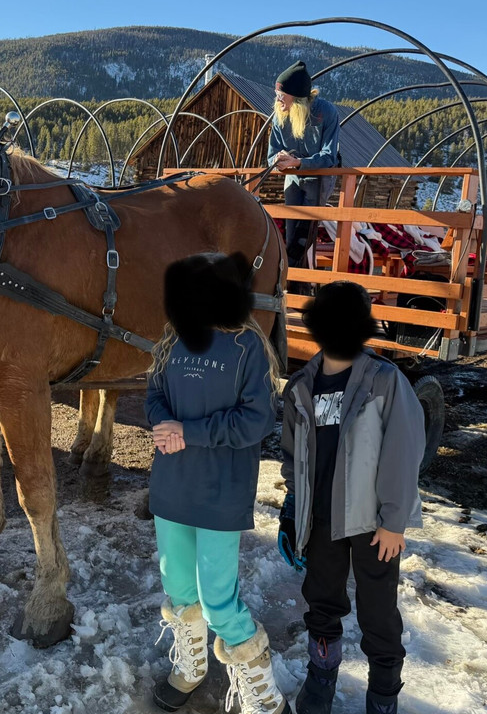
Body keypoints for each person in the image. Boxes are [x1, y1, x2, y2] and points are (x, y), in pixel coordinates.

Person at [146, 252, 290, 714]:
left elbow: (257, 421)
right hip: (171, 488)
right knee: (179, 588)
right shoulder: (172, 341)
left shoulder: (249, 346)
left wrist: (189, 432)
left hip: (220, 493)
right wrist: (163, 422)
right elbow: (153, 395)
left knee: (218, 600)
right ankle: (191, 668)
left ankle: (263, 693)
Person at [277, 281, 425, 714]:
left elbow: (403, 451)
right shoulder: (301, 386)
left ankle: (383, 696)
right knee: (322, 603)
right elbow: (291, 456)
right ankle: (321, 678)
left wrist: (395, 520)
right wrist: (293, 510)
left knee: (378, 615)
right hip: (320, 521)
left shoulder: (384, 382)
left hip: (373, 524)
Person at [267, 61, 340, 269]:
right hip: (292, 177)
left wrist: (299, 162)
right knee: (291, 233)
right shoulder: (279, 116)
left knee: (303, 233)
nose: (278, 99)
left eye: (282, 95)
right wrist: (277, 160)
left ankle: (298, 281)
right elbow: (271, 155)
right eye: (277, 94)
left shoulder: (326, 112)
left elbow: (329, 157)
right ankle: (296, 283)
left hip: (319, 177)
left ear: (297, 98)